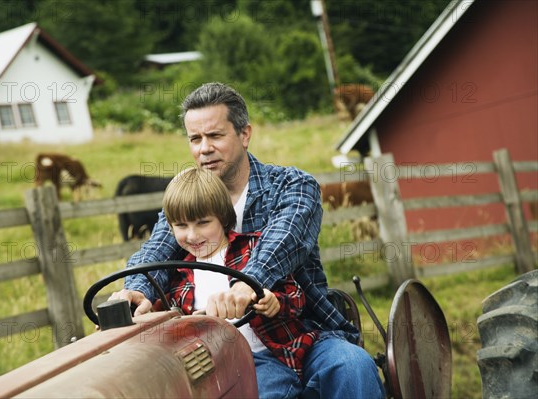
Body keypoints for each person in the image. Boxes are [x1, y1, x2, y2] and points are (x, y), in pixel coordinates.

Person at [110, 82, 384, 398]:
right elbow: (157, 248)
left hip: (299, 331)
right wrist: (136, 289)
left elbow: (286, 240)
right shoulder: (190, 199)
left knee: (352, 365)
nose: (204, 148)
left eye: (215, 136)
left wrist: (245, 285)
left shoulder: (291, 185)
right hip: (221, 350)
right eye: (195, 139)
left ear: (244, 134)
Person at [157, 166, 319, 391]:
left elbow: (296, 296)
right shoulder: (177, 276)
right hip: (211, 369)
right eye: (181, 226)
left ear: (223, 219)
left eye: (203, 223)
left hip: (263, 359)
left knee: (264, 391)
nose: (192, 235)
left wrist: (274, 302)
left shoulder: (252, 249)